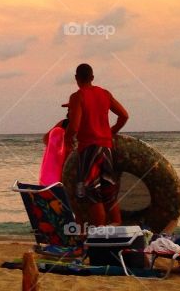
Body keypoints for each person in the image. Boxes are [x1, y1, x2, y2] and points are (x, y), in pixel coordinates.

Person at [65, 63, 128, 230]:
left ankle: (99, 233)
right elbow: (124, 115)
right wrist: (111, 132)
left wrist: (67, 139)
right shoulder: (105, 94)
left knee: (92, 193)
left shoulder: (78, 96)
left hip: (89, 150)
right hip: (106, 148)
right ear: (92, 78)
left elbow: (74, 126)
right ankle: (116, 224)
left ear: (76, 78)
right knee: (108, 190)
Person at [39, 114, 68, 185]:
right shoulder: (65, 123)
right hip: (63, 159)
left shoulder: (65, 123)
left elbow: (46, 139)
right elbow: (46, 139)